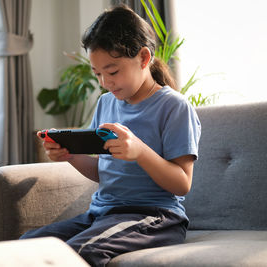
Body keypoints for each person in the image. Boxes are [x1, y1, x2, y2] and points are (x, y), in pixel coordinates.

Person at [20, 4, 201, 267]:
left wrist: (140, 151)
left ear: (143, 58)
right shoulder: (106, 104)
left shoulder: (174, 107)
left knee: (79, 252)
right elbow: (104, 171)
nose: (105, 82)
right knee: (27, 244)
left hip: (156, 216)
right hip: (102, 213)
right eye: (98, 74)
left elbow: (182, 183)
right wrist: (70, 155)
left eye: (113, 71)